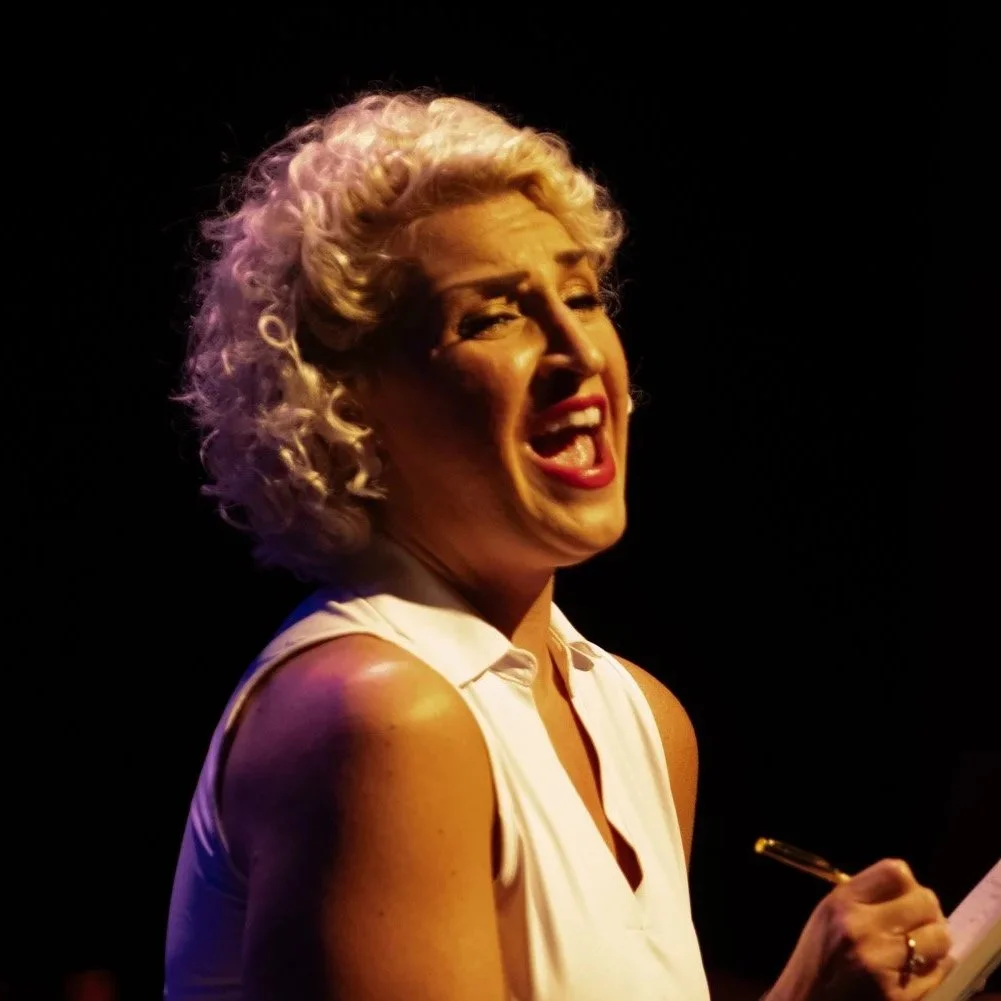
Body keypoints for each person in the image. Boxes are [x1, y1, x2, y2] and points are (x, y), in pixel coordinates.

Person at [165, 91, 955, 1000]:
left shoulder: (640, 720)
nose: (579, 348)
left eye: (580, 294)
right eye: (491, 317)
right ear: (345, 407)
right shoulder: (379, 718)